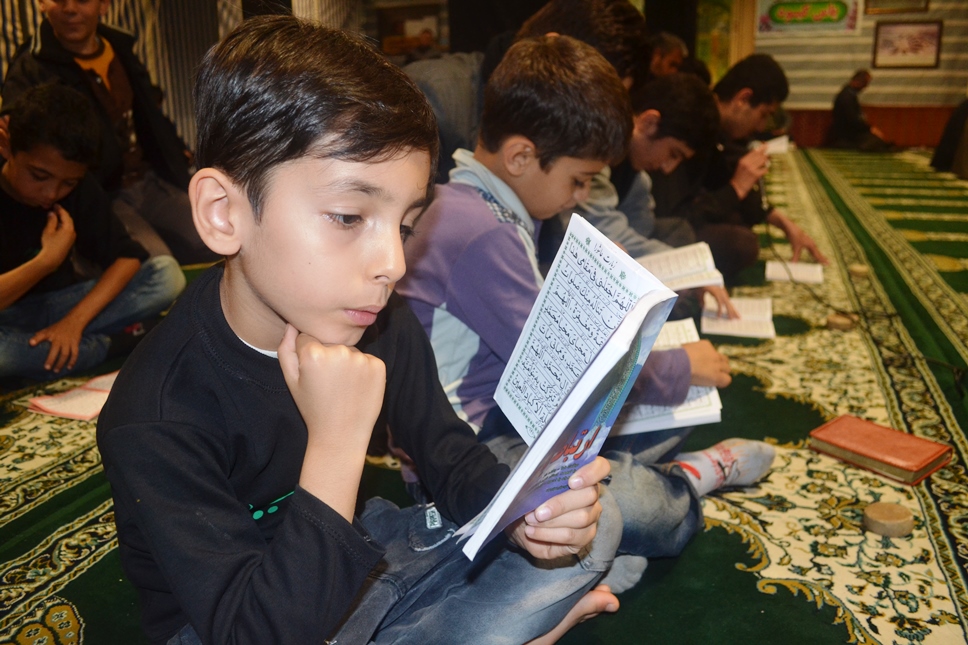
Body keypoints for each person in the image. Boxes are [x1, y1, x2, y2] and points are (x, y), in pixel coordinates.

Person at [97, 16, 617, 645]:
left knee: (582, 523)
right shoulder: (155, 413)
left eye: (404, 225)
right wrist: (338, 440)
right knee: (538, 579)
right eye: (348, 216)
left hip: (358, 551)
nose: (393, 264)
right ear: (224, 213)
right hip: (238, 621)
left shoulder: (375, 317)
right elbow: (256, 631)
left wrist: (521, 520)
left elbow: (446, 452)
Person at [396, 35, 775, 594]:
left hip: (513, 418)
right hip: (472, 451)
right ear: (521, 157)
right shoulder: (477, 229)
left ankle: (616, 500)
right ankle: (684, 484)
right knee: (627, 510)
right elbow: (569, 367)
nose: (579, 197)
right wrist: (677, 366)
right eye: (578, 180)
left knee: (670, 415)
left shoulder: (489, 208)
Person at [1, 0, 216, 264]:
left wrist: (176, 151)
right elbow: (17, 140)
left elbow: (150, 111)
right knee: (156, 265)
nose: (70, 9)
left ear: (103, 5)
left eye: (82, 0)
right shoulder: (30, 67)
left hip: (149, 181)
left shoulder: (119, 47)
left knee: (217, 232)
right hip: (101, 197)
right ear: (42, 4)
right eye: (59, 0)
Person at [0, 83, 183, 381]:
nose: (52, 193)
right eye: (39, 176)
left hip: (64, 304)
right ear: (6, 146)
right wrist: (46, 262)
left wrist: (73, 322)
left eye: (68, 183)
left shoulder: (77, 186)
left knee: (165, 275)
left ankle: (57, 344)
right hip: (8, 315)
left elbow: (127, 258)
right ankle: (108, 345)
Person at [405, 0, 650, 182]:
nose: (595, 119)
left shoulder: (550, 133)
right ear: (553, 48)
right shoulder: (432, 99)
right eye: (595, 98)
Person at [651, 53, 829, 279]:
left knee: (739, 218)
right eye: (763, 115)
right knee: (740, 243)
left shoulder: (718, 131)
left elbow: (721, 180)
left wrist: (784, 223)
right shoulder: (693, 125)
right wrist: (736, 188)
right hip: (658, 225)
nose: (761, 126)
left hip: (680, 216)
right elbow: (673, 216)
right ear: (743, 99)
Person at [828, 69, 892, 152]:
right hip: (849, 136)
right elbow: (853, 121)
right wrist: (870, 129)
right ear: (858, 82)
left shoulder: (849, 94)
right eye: (865, 84)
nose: (865, 87)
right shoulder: (846, 97)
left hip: (850, 134)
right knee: (876, 141)